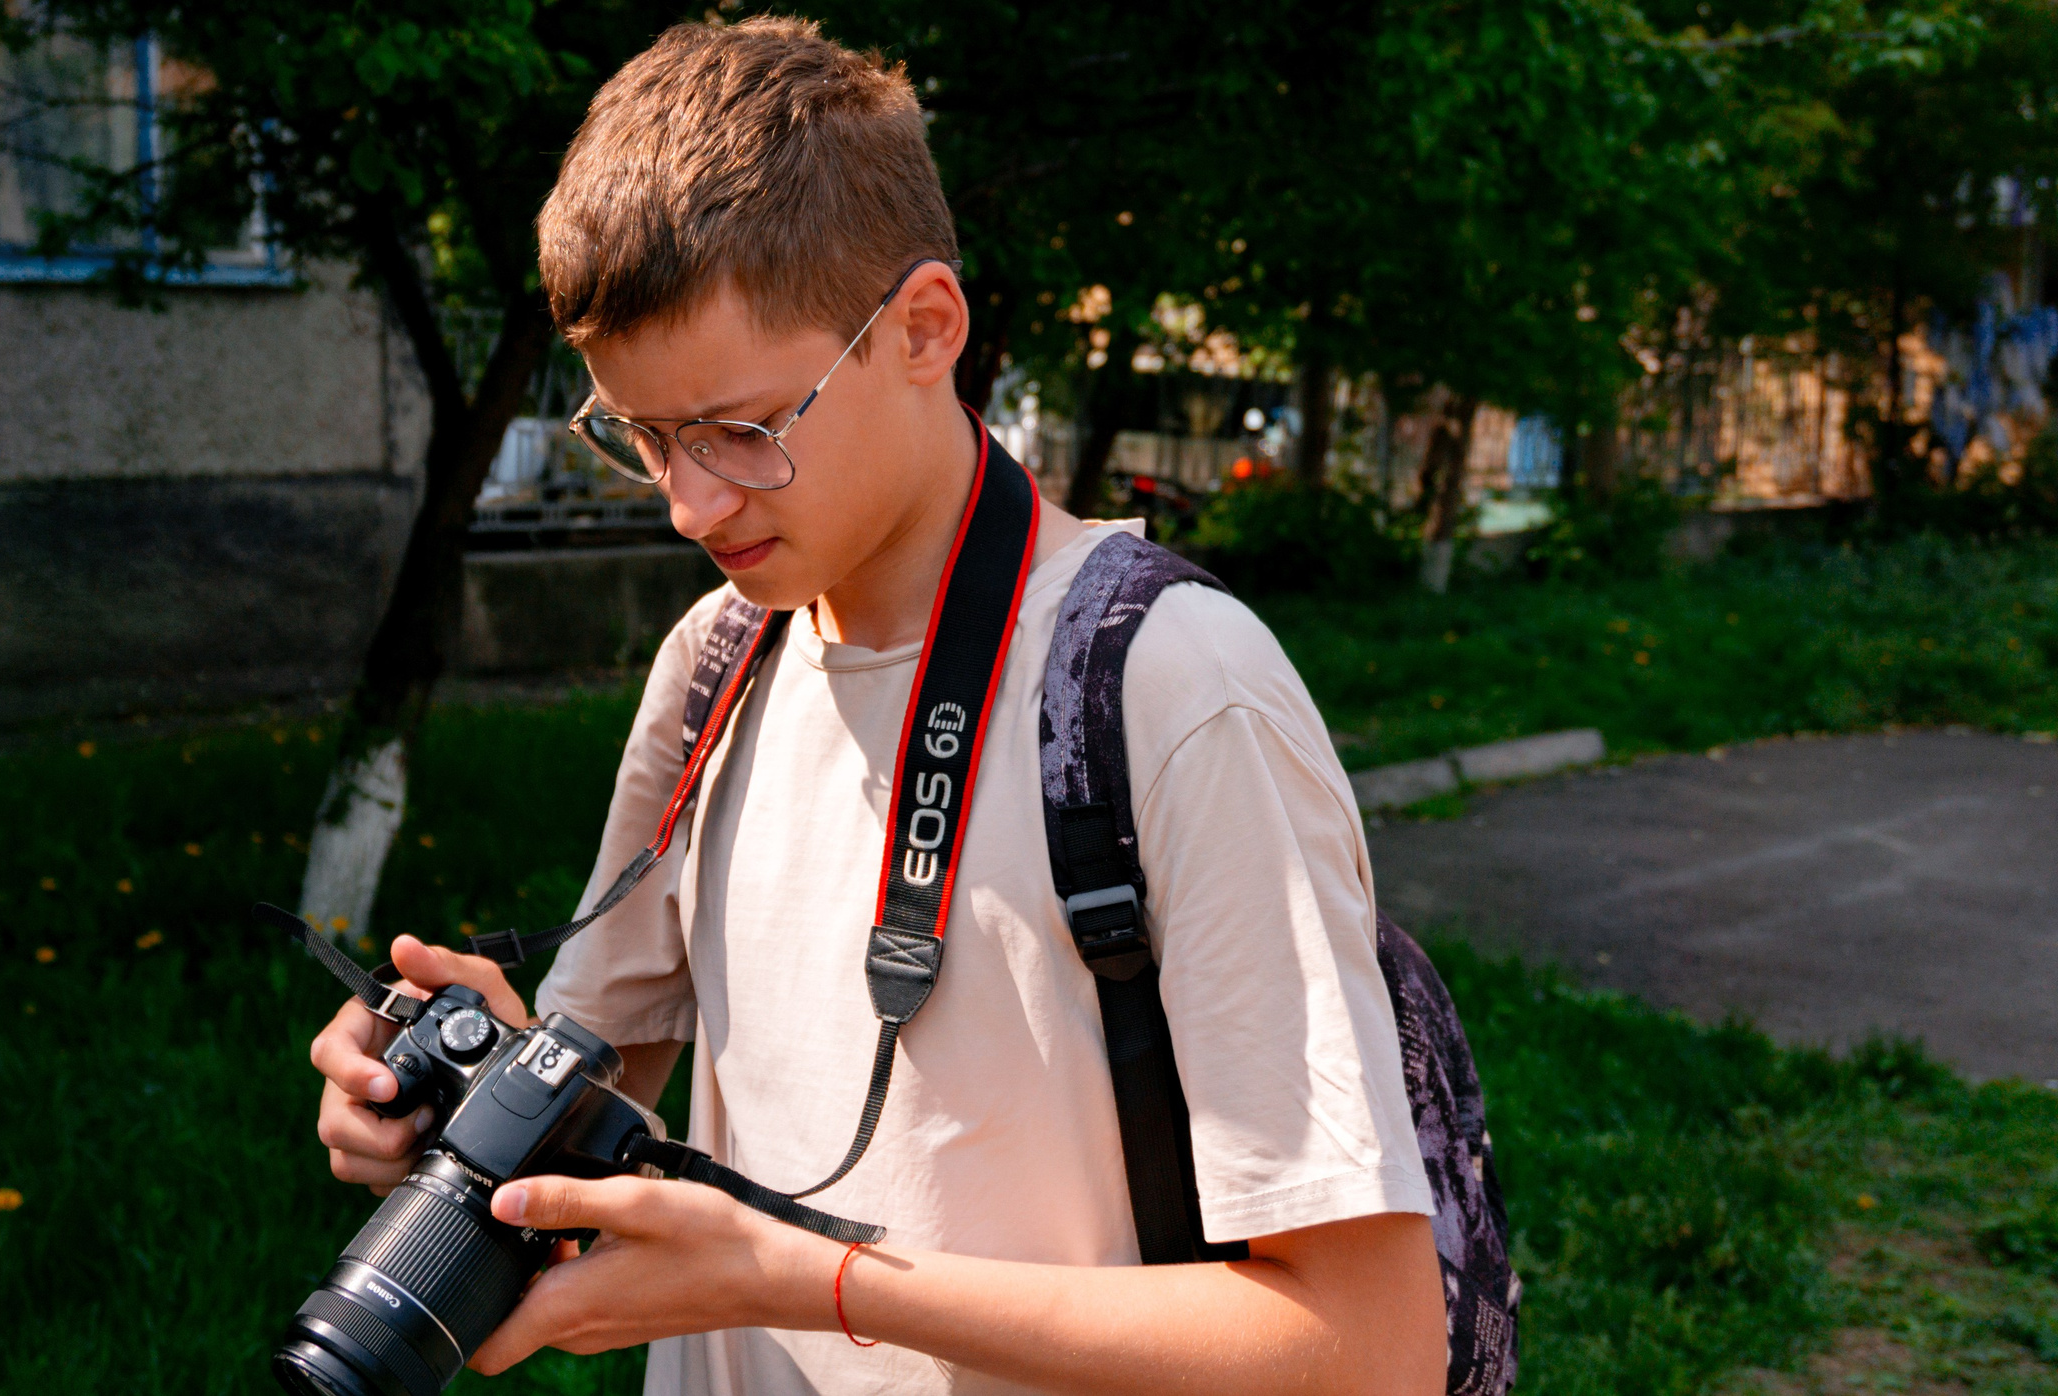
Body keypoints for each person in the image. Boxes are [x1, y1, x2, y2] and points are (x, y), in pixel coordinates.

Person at [308, 17, 1446, 1395]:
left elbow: (1371, 1348)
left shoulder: (1169, 689)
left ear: (924, 329)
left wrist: (813, 1282)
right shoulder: (719, 659)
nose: (691, 502)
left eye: (742, 430)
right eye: (639, 435)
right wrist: (465, 1091)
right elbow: (609, 1101)